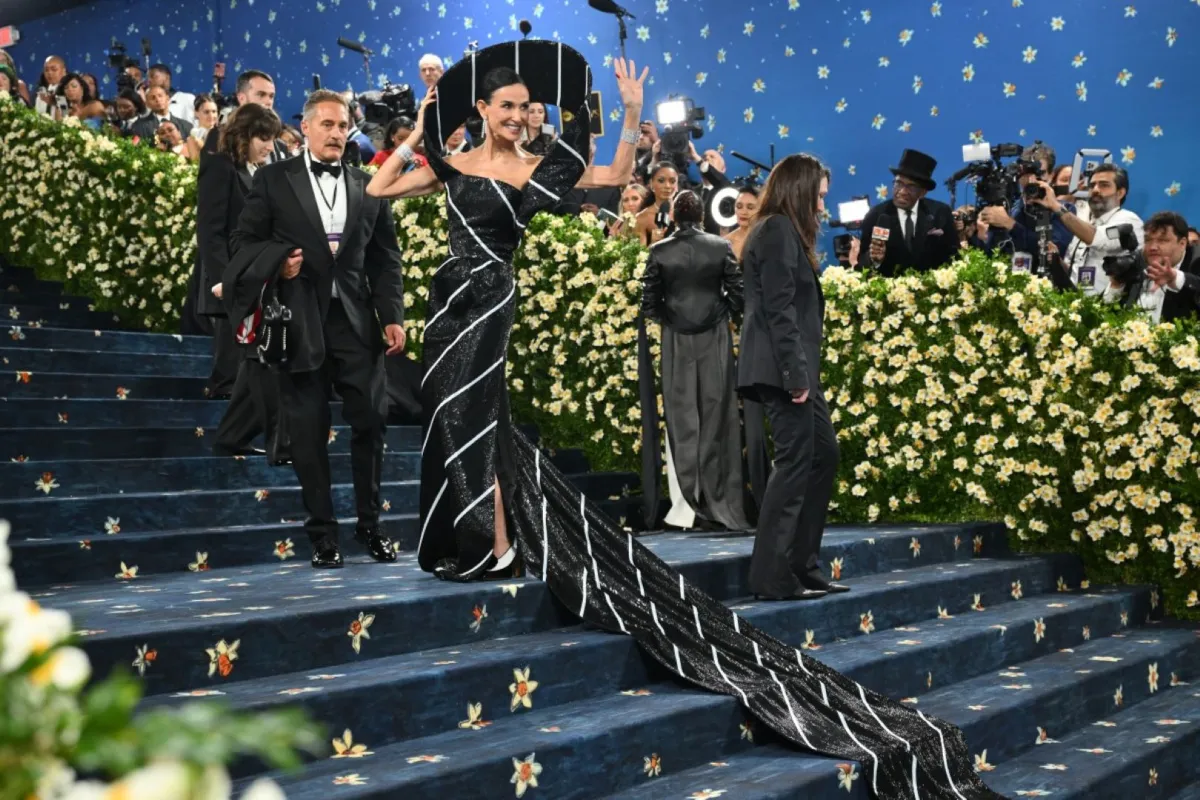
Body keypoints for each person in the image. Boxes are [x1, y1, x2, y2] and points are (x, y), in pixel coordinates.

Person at [363, 42, 994, 800]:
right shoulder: (453, 166)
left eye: (525, 110)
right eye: (506, 109)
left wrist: (630, 113)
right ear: (482, 112)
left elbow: (603, 176)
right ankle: (475, 539)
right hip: (444, 300)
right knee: (455, 417)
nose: (518, 118)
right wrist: (420, 129)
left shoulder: (533, 171)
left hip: (492, 299)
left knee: (477, 414)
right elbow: (376, 187)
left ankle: (493, 544)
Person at [226, 89, 406, 569]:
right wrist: (277, 263)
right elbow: (244, 240)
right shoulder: (272, 179)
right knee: (307, 431)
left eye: (343, 123)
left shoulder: (370, 184)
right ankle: (323, 535)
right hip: (297, 321)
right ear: (304, 128)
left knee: (371, 421)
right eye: (326, 123)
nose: (336, 131)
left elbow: (385, 257)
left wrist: (392, 315)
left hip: (357, 323)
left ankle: (371, 526)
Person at [737, 153, 843, 602]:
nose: (822, 206)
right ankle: (773, 577)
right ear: (800, 191)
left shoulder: (780, 231)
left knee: (824, 455)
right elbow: (778, 310)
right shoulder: (778, 229)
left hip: (794, 369)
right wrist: (796, 375)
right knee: (796, 462)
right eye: (818, 196)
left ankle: (802, 563)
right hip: (785, 370)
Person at [640, 190, 750, 532]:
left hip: (676, 339)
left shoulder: (659, 250)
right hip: (714, 335)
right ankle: (720, 501)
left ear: (674, 216)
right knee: (718, 414)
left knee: (681, 414)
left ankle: (687, 504)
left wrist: (670, 320)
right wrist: (726, 316)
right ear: (702, 216)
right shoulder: (720, 247)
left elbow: (648, 300)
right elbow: (738, 292)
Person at [194, 104, 281, 413]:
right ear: (244, 136)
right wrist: (222, 280)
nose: (271, 147)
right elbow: (209, 229)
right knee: (228, 374)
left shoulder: (263, 172)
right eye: (264, 139)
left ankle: (239, 435)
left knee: (251, 369)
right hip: (230, 283)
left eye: (272, 139)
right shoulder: (221, 166)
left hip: (257, 281)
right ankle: (224, 441)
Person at [1026, 163, 1144, 297]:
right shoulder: (1085, 223)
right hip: (1076, 306)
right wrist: (1057, 260)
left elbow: (1098, 238)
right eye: (1092, 185)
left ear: (1120, 193)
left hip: (1108, 308)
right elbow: (1073, 272)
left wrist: (1056, 205)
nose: (1095, 190)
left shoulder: (1129, 221)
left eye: (1104, 185)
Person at [857, 149, 959, 276]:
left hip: (933, 292)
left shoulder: (940, 212)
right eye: (898, 183)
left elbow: (954, 257)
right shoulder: (876, 215)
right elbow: (861, 264)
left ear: (923, 192)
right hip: (889, 292)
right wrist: (874, 259)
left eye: (911, 186)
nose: (902, 191)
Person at [634, 161, 680, 246]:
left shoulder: (685, 213)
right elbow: (639, 256)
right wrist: (653, 243)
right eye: (661, 181)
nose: (667, 186)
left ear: (677, 186)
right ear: (651, 184)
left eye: (672, 181)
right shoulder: (642, 218)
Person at [722, 186, 760, 261]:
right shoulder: (726, 241)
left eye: (750, 207)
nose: (743, 212)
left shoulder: (767, 239)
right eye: (739, 206)